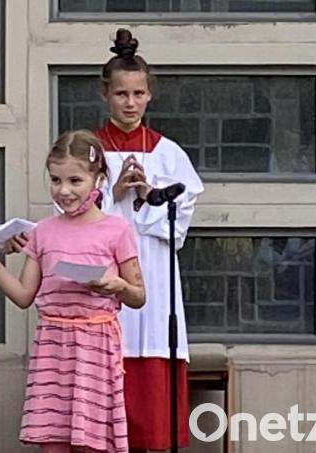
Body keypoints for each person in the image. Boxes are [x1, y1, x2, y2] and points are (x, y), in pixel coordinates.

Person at [0, 130, 146, 453]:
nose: (63, 191)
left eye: (75, 181)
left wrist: (118, 286)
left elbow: (138, 295)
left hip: (96, 345)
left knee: (93, 441)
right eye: (55, 180)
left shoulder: (117, 229)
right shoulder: (44, 231)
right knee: (53, 440)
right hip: (52, 344)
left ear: (98, 179)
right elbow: (24, 295)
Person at [94, 29, 205, 452]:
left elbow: (180, 223)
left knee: (153, 346)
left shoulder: (168, 153)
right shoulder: (88, 150)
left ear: (149, 95)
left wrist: (145, 196)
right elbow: (69, 213)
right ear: (105, 94)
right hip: (105, 271)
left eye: (138, 93)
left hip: (154, 271)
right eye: (121, 93)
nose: (130, 103)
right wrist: (113, 193)